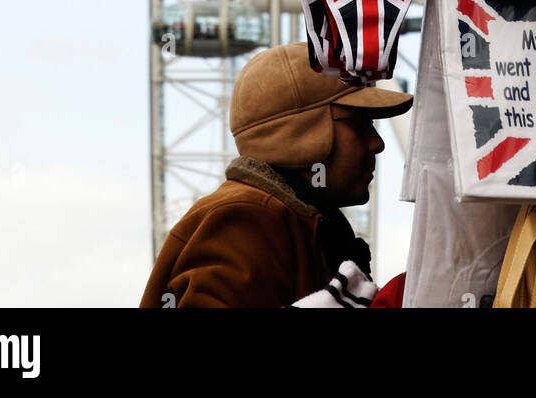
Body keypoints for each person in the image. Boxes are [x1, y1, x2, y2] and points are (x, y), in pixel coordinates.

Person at [140, 41, 412, 309]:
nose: (378, 143)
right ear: (303, 132)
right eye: (359, 125)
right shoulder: (246, 218)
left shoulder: (302, 223)